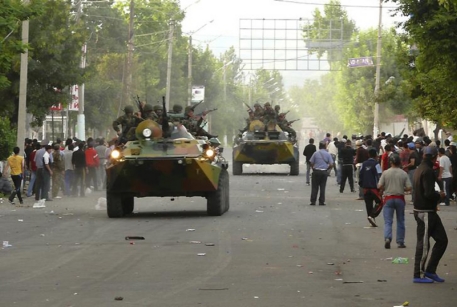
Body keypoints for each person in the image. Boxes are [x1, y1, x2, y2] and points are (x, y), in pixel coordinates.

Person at [412, 146, 448, 283]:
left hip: (427, 211)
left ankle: (430, 270)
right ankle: (418, 274)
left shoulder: (420, 169)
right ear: (434, 157)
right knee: (424, 244)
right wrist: (440, 195)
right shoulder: (426, 171)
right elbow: (428, 193)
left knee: (442, 240)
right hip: (424, 211)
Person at [378, 153, 412, 249]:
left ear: (390, 162)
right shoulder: (403, 173)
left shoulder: (385, 173)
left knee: (388, 221)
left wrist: (385, 187)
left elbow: (379, 186)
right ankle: (400, 242)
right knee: (400, 220)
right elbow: (409, 187)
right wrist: (402, 188)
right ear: (399, 162)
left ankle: (388, 238)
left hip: (388, 199)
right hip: (400, 199)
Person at [359, 148, 382, 227]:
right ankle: (372, 216)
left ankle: (370, 219)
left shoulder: (364, 164)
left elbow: (360, 174)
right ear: (376, 155)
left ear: (368, 155)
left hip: (365, 188)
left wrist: (361, 184)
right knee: (380, 202)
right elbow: (379, 175)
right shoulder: (376, 164)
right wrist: (380, 187)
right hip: (374, 188)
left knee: (368, 205)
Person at [309, 142, 333, 206]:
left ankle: (313, 201)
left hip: (316, 171)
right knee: (322, 187)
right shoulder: (328, 154)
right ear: (325, 146)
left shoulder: (315, 153)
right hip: (324, 172)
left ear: (319, 146)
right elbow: (331, 164)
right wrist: (327, 169)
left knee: (314, 187)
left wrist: (313, 168)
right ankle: (321, 201)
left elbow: (311, 162)